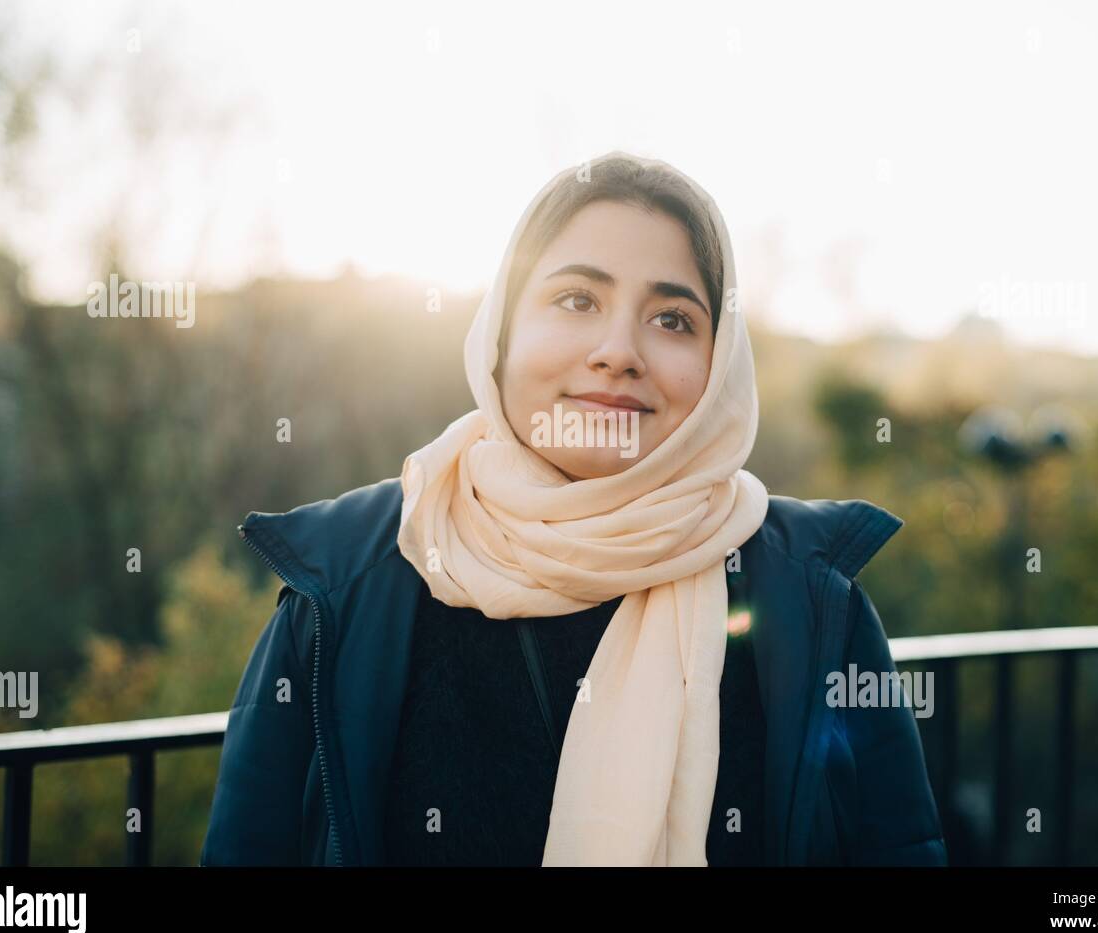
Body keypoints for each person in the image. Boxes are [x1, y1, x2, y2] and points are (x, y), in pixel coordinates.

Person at [200, 150, 947, 867]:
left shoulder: (812, 600)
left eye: (674, 319)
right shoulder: (350, 578)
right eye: (577, 300)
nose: (618, 350)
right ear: (501, 333)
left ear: (720, 366)